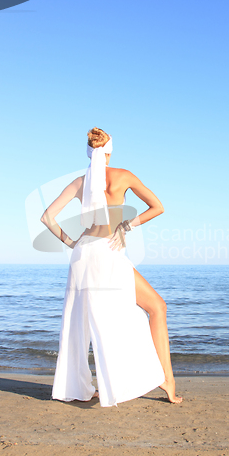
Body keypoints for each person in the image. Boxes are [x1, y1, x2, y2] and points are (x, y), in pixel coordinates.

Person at [40, 127, 182, 406]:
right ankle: (166, 380)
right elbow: (158, 207)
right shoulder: (123, 176)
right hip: (108, 250)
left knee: (80, 323)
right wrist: (126, 225)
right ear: (109, 151)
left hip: (83, 254)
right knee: (156, 307)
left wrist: (72, 243)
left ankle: (81, 387)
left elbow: (47, 217)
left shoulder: (80, 182)